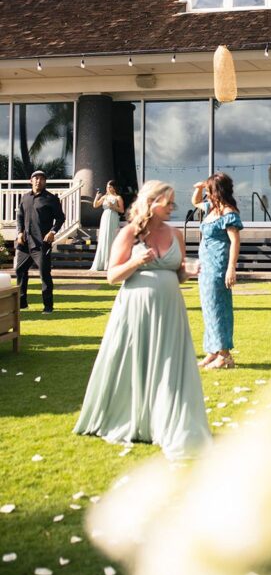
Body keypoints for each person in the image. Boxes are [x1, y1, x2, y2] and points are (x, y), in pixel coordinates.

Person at [74, 180, 211, 460]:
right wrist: (136, 262)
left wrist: (190, 270)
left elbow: (177, 273)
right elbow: (112, 276)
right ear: (151, 202)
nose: (172, 207)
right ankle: (131, 416)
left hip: (170, 311)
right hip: (135, 311)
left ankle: (167, 420)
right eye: (168, 202)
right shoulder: (129, 234)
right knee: (135, 361)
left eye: (173, 202)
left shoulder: (176, 235)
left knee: (169, 366)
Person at [191, 174, 242, 370]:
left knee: (218, 308)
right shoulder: (210, 209)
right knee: (208, 308)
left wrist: (231, 267)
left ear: (217, 191)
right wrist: (200, 186)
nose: (207, 193)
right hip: (205, 266)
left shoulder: (228, 213)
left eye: (209, 189)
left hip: (219, 265)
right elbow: (195, 201)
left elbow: (235, 241)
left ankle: (225, 355)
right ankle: (212, 351)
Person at [15, 170, 65, 313]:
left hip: (41, 244)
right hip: (25, 243)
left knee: (44, 274)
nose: (38, 181)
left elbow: (61, 218)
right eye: (36, 178)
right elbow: (19, 216)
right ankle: (22, 303)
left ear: (45, 182)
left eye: (42, 179)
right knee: (20, 271)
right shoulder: (25, 198)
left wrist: (52, 232)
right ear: (31, 181)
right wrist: (19, 232)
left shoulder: (51, 199)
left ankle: (48, 307)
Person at [90, 180, 125, 271]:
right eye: (107, 186)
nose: (108, 188)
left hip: (113, 217)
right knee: (104, 238)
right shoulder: (105, 197)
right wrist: (97, 197)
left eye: (110, 186)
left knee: (112, 238)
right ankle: (102, 263)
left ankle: (112, 263)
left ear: (114, 188)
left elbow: (122, 210)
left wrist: (113, 206)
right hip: (105, 218)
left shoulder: (118, 197)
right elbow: (95, 205)